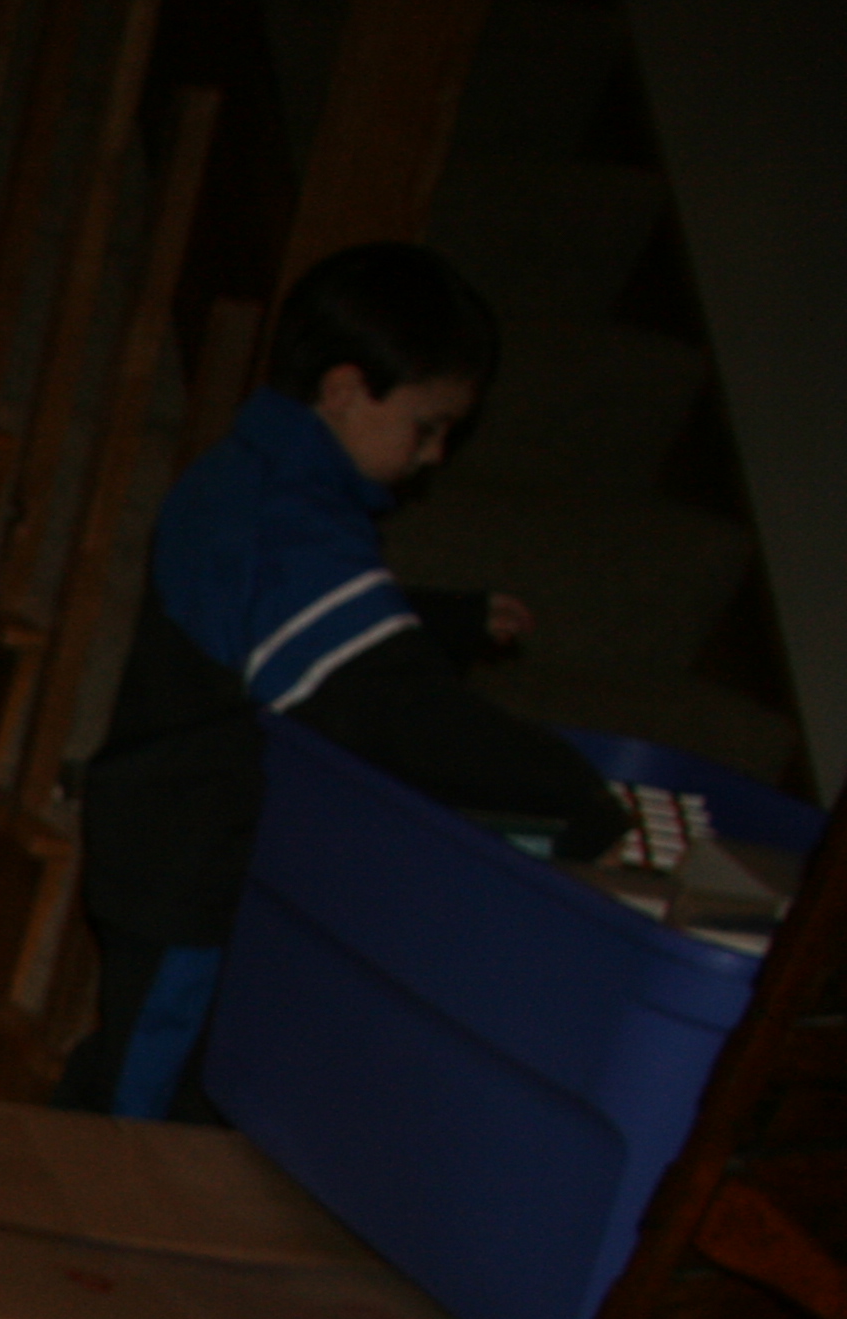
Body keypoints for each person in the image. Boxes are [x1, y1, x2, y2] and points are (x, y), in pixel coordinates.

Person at [63, 241, 631, 1120]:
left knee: (189, 1064)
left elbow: (313, 620)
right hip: (183, 863)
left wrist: (446, 620)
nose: (434, 455)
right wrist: (573, 794)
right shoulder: (283, 514)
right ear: (343, 390)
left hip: (202, 846)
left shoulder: (265, 479)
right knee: (142, 1086)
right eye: (427, 426)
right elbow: (385, 703)